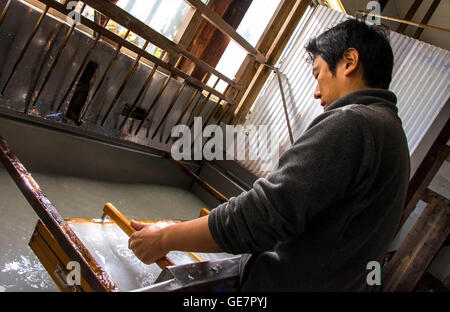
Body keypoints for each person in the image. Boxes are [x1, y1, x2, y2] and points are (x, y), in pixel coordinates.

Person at [128, 18, 411, 291]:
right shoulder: (392, 132)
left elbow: (260, 217)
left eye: (318, 73)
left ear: (349, 62)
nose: (315, 92)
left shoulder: (353, 123)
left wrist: (165, 237)